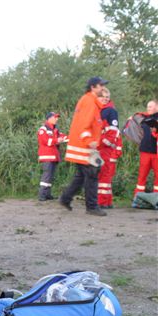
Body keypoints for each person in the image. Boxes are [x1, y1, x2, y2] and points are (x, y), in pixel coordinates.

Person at [59, 77, 108, 216]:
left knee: (81, 176)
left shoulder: (88, 101)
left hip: (81, 145)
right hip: (85, 146)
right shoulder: (89, 102)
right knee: (92, 175)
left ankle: (65, 198)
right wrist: (89, 140)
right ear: (93, 87)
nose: (102, 88)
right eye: (101, 86)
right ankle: (92, 207)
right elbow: (83, 125)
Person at [97, 89, 123, 208]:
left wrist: (102, 142)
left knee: (103, 174)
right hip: (100, 146)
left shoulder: (110, 111)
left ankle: (102, 202)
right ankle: (107, 201)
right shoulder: (100, 110)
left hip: (104, 147)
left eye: (107, 96)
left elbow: (112, 132)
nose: (105, 98)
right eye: (103, 96)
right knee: (105, 174)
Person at [37, 112, 68, 201]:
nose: (57, 119)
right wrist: (57, 140)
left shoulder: (55, 129)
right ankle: (42, 195)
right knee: (46, 175)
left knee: (50, 175)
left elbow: (63, 137)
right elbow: (45, 141)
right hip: (47, 156)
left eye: (57, 117)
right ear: (49, 118)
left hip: (54, 156)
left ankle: (47, 194)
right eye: (55, 117)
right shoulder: (43, 129)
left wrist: (72, 138)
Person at [134, 99, 158, 196]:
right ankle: (138, 198)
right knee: (142, 176)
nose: (148, 108)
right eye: (147, 106)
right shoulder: (145, 118)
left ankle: (156, 198)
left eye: (150, 106)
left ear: (157, 107)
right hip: (144, 151)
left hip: (156, 153)